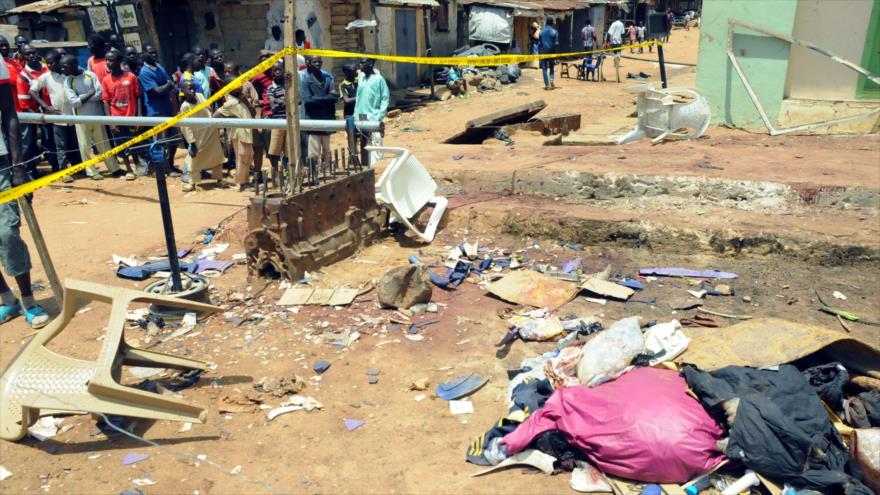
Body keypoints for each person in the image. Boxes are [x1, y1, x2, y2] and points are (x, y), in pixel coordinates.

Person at [0, 56, 50, 329]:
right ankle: (7, 299)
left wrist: (19, 165)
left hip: (1, 163)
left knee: (7, 233)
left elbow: (9, 112)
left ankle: (28, 299)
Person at [62, 54, 122, 180]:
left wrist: (82, 98)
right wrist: (90, 93)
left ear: (73, 65)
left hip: (97, 116)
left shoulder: (90, 75)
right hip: (81, 118)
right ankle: (91, 171)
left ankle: (114, 169)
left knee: (104, 144)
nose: (63, 70)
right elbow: (74, 102)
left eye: (65, 67)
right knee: (84, 146)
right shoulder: (68, 81)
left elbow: (100, 94)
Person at [30, 50, 82, 182]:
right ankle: (64, 172)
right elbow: (32, 91)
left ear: (59, 61)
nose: (49, 65)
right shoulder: (46, 77)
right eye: (47, 63)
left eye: (52, 62)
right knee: (61, 146)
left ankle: (79, 168)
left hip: (74, 116)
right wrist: (46, 107)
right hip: (58, 118)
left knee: (75, 144)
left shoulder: (69, 74)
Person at [138, 44, 181, 175]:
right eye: (151, 53)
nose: (154, 55)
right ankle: (162, 168)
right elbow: (156, 91)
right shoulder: (144, 73)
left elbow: (170, 84)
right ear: (144, 55)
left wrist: (168, 85)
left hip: (168, 108)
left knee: (174, 138)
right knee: (161, 141)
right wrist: (169, 84)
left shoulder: (159, 67)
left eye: (155, 52)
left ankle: (170, 164)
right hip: (156, 111)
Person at [178, 80, 226, 192]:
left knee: (217, 155)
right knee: (193, 159)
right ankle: (192, 183)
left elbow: (208, 107)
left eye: (193, 88)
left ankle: (219, 179)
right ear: (183, 91)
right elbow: (186, 127)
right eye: (189, 89)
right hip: (197, 136)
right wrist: (192, 142)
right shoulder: (185, 106)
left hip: (210, 131)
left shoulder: (199, 96)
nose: (192, 90)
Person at [102, 49, 141, 180]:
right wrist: (111, 121)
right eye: (106, 60)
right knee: (121, 144)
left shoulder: (130, 77)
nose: (108, 62)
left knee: (133, 142)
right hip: (116, 118)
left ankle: (138, 165)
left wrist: (139, 116)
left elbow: (138, 96)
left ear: (119, 61)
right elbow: (106, 101)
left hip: (130, 117)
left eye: (111, 60)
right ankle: (128, 169)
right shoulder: (106, 80)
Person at [213, 76, 254, 191]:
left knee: (247, 157)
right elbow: (216, 116)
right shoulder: (230, 103)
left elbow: (253, 111)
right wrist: (231, 119)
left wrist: (244, 99)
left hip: (246, 133)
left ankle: (244, 181)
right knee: (242, 157)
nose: (241, 86)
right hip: (239, 134)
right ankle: (242, 183)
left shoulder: (240, 99)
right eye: (237, 84)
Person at [224, 61, 264, 176]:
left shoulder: (246, 85)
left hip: (250, 121)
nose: (226, 73)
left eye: (229, 71)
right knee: (239, 151)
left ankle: (257, 172)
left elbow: (255, 104)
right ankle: (242, 175)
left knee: (257, 146)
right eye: (225, 71)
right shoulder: (226, 87)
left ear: (237, 72)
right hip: (236, 123)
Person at [16, 44, 48, 177]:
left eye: (33, 53)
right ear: (23, 57)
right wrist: (38, 118)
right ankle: (29, 172)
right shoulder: (23, 76)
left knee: (47, 141)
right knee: (28, 143)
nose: (32, 56)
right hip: (30, 114)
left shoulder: (46, 68)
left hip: (49, 112)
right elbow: (24, 103)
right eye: (28, 54)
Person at [300, 56, 336, 174]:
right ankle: (314, 174)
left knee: (326, 150)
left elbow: (335, 97)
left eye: (319, 62)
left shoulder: (328, 79)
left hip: (326, 120)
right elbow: (308, 100)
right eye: (315, 62)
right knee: (314, 152)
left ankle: (326, 173)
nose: (317, 64)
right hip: (313, 121)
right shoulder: (307, 81)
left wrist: (318, 99)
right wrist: (326, 99)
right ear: (309, 63)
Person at [353, 58, 389, 166]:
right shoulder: (361, 80)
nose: (360, 65)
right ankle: (367, 165)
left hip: (374, 116)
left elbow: (385, 97)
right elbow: (358, 99)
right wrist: (356, 114)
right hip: (362, 116)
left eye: (363, 63)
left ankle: (378, 166)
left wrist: (380, 115)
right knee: (365, 142)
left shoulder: (379, 79)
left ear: (370, 64)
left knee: (376, 142)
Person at [265, 61, 287, 178]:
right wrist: (286, 101)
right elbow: (274, 106)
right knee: (274, 151)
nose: (278, 71)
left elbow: (297, 100)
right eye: (275, 70)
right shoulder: (271, 88)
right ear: (272, 72)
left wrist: (281, 101)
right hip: (278, 121)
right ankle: (276, 174)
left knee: (289, 150)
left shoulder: (290, 85)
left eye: (279, 69)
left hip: (290, 121)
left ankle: (289, 172)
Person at [538, 18, 559, 90]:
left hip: (543, 52)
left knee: (544, 69)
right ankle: (551, 80)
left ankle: (547, 85)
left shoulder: (541, 32)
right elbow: (556, 44)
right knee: (552, 67)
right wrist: (556, 54)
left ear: (546, 23)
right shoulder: (555, 32)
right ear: (552, 23)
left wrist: (539, 53)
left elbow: (539, 44)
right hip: (551, 52)